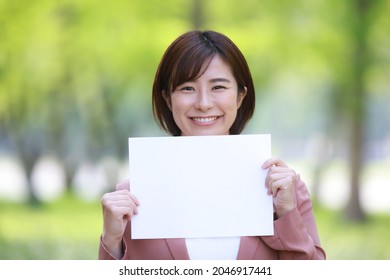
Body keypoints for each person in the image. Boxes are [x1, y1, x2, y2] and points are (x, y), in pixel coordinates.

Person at [98, 30, 326, 260]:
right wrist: (111, 241)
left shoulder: (285, 189)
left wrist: (286, 213)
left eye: (218, 87)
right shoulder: (132, 197)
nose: (204, 104)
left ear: (240, 96)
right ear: (168, 99)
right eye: (187, 88)